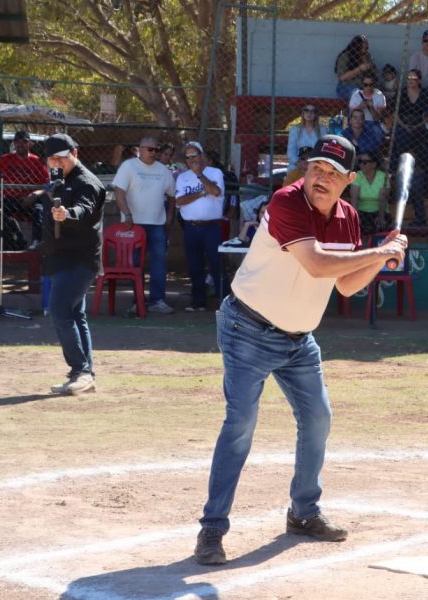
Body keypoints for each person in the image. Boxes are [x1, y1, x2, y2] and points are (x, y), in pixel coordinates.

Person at [193, 135, 407, 566]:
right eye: (315, 169)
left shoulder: (346, 217)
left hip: (298, 340)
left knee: (318, 419)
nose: (321, 179)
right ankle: (212, 529)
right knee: (240, 424)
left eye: (332, 173)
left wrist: (379, 262)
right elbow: (317, 263)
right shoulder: (287, 202)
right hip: (247, 329)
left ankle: (304, 513)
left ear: (349, 180)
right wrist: (380, 251)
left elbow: (345, 284)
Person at [38, 134, 107, 396]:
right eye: (52, 158)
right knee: (76, 314)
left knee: (59, 311)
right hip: (62, 257)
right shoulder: (61, 179)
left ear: (74, 154)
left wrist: (67, 215)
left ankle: (81, 371)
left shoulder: (87, 182)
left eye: (61, 157)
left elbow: (84, 209)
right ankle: (84, 373)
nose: (57, 162)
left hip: (79, 260)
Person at [112, 136, 177, 314]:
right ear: (140, 149)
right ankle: (137, 301)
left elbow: (172, 195)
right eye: (150, 150)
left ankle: (158, 300)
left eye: (156, 150)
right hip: (134, 225)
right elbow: (119, 191)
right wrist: (127, 214)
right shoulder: (128, 166)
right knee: (134, 264)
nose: (153, 153)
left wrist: (170, 214)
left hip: (157, 224)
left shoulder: (163, 170)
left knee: (159, 263)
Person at [175, 142, 226, 312]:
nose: (191, 160)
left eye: (194, 155)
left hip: (211, 227)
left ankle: (225, 302)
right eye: (188, 157)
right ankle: (198, 301)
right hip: (191, 227)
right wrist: (202, 193)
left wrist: (199, 176)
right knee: (195, 265)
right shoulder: (182, 177)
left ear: (202, 156)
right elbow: (179, 201)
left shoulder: (215, 172)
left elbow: (216, 191)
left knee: (216, 263)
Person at [0, 130, 49, 250]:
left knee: (39, 211)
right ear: (14, 144)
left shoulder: (37, 161)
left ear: (29, 144)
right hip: (9, 199)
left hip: (29, 200)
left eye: (24, 142)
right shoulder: (5, 159)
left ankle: (36, 243)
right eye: (17, 142)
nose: (20, 145)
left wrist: (34, 194)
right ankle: (3, 241)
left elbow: (46, 185)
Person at [350, 151, 389, 235]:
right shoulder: (357, 175)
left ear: (374, 164)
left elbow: (383, 199)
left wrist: (381, 217)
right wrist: (355, 217)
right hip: (361, 212)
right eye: (360, 162)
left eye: (365, 162)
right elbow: (354, 199)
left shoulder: (383, 177)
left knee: (381, 224)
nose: (361, 165)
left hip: (379, 211)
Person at [287, 104, 328, 173]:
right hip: (298, 164)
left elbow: (324, 150)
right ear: (303, 113)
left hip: (316, 164)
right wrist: (298, 163)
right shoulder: (295, 130)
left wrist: (314, 164)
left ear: (316, 114)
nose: (309, 113)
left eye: (313, 111)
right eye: (306, 110)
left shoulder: (323, 130)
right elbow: (291, 152)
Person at [334, 35, 376, 101]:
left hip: (364, 86)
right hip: (346, 86)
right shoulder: (345, 56)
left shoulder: (368, 56)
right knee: (356, 93)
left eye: (366, 48)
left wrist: (369, 67)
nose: (365, 50)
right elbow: (342, 77)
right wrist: (359, 69)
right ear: (357, 47)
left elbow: (374, 74)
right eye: (363, 48)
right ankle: (353, 110)